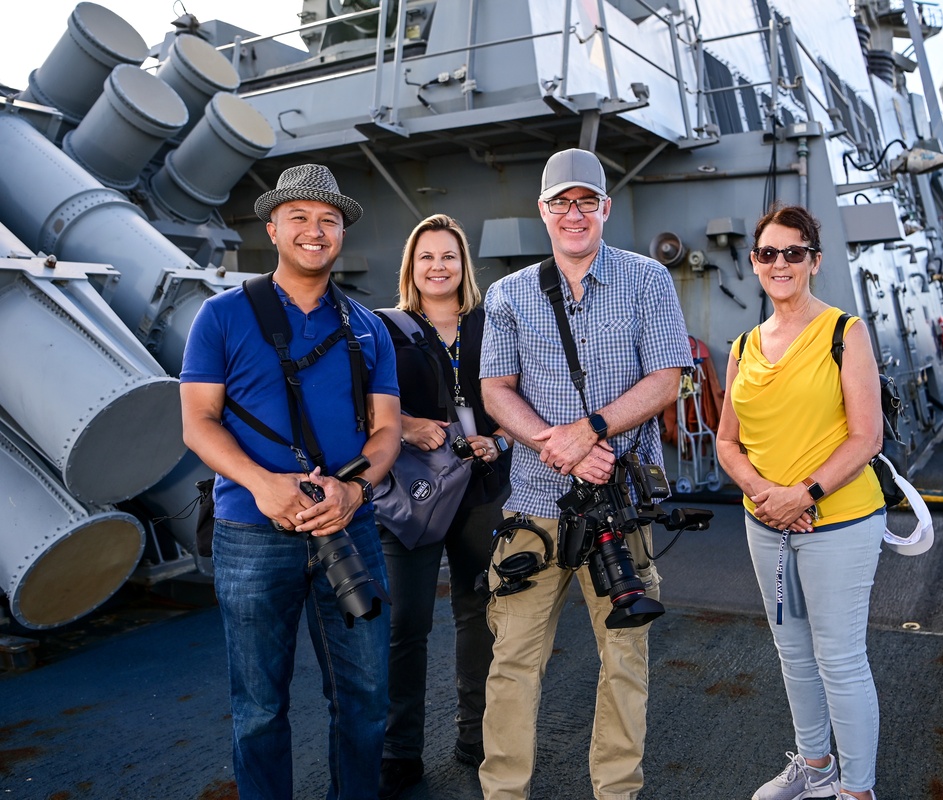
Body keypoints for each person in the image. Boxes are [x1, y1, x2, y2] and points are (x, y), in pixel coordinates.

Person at [179, 164, 401, 800]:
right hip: (252, 534)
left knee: (365, 700)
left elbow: (386, 432)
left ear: (341, 234)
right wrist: (262, 484)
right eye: (299, 217)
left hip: (347, 525)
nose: (315, 229)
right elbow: (198, 422)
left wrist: (354, 492)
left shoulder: (368, 326)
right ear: (272, 227)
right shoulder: (219, 318)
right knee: (258, 709)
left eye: (328, 219)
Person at [478, 148, 692, 799]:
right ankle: (503, 793)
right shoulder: (508, 294)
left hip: (620, 504)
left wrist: (591, 432)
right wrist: (557, 444)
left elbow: (668, 377)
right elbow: (495, 390)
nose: (574, 214)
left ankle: (616, 791)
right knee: (513, 662)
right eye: (560, 202)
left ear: (604, 208)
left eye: (586, 201)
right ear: (543, 211)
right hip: (538, 506)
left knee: (624, 660)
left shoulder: (648, 279)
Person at [716, 204, 885, 800]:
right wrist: (767, 496)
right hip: (767, 524)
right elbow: (726, 442)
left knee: (839, 659)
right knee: (793, 652)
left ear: (814, 261)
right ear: (754, 263)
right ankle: (816, 769)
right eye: (767, 253)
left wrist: (803, 493)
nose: (779, 263)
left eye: (793, 252)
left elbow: (868, 437)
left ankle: (857, 791)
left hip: (838, 521)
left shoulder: (845, 332)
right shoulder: (742, 345)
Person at [375, 213, 512, 799]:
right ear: (412, 267)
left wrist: (499, 439)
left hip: (481, 489)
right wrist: (405, 425)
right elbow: (363, 401)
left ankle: (475, 738)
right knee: (405, 623)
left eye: (449, 256)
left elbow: (519, 396)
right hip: (411, 493)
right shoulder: (385, 328)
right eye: (426, 256)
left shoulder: (492, 325)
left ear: (464, 266)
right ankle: (398, 749)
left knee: (478, 613)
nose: (438, 266)